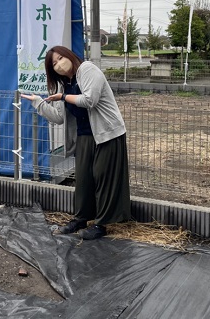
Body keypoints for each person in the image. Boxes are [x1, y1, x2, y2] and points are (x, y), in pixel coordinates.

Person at [21, 46, 131, 240]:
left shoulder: (87, 69)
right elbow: (58, 117)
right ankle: (81, 218)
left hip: (107, 133)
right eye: (54, 64)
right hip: (84, 136)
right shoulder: (66, 84)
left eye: (61, 58)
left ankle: (101, 224)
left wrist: (63, 97)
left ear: (70, 56)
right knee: (84, 179)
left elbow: (90, 100)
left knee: (102, 176)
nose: (59, 65)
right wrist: (38, 102)